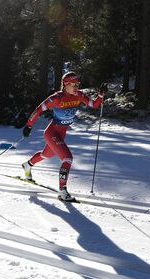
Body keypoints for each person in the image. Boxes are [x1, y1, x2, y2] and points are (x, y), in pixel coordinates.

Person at [21, 71, 104, 201]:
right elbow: (38, 109)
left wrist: (100, 95)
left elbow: (94, 104)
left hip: (61, 134)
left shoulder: (78, 95)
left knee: (46, 155)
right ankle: (62, 191)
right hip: (52, 133)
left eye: (78, 84)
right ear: (66, 84)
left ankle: (28, 165)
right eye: (74, 84)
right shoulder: (56, 98)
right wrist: (29, 125)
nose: (76, 87)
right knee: (68, 158)